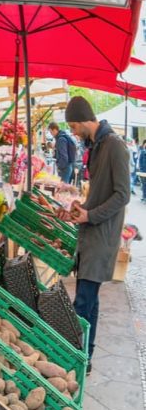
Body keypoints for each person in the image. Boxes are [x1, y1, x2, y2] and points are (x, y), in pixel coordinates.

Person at [57, 96, 130, 373]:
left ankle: (75, 360)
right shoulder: (97, 146)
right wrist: (78, 209)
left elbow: (122, 195)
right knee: (90, 299)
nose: (73, 132)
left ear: (85, 119)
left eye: (74, 126)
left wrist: (91, 215)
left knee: (84, 301)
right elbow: (99, 194)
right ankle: (85, 357)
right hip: (90, 232)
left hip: (103, 237)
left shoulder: (115, 147)